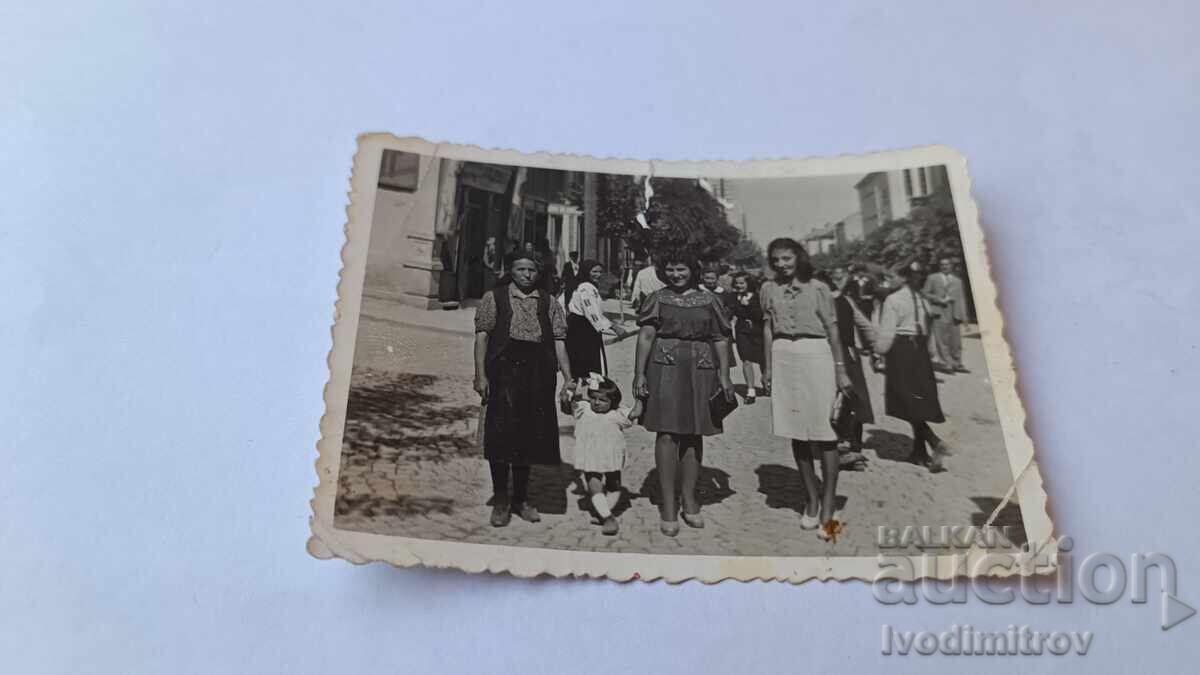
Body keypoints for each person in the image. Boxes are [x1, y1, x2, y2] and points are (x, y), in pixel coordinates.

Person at [633, 252, 735, 536]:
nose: (676, 274)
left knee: (693, 433)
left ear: (693, 270)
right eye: (671, 269)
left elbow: (720, 338)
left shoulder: (710, 300)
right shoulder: (657, 298)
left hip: (701, 368)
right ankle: (668, 505)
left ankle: (689, 499)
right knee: (666, 433)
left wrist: (725, 375)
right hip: (664, 366)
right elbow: (646, 336)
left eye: (681, 269)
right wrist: (639, 373)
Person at [473, 251, 575, 527]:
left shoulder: (549, 302)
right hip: (503, 371)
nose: (527, 275)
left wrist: (568, 378)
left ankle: (521, 498)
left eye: (531, 270)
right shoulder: (494, 298)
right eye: (520, 269)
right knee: (500, 435)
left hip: (537, 374)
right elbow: (482, 338)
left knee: (527, 436)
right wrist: (480, 375)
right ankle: (501, 499)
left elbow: (559, 341)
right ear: (511, 271)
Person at [760, 239, 851, 541]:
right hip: (784, 356)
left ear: (798, 258)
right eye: (775, 260)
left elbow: (833, 329)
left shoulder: (818, 289)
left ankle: (829, 505)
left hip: (816, 356)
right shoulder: (768, 290)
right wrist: (768, 367)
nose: (781, 265)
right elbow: (768, 328)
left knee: (824, 433)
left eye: (786, 258)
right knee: (796, 430)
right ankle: (811, 500)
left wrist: (840, 370)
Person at [876, 261, 953, 473]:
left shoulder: (892, 299)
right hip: (919, 351)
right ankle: (919, 452)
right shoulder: (921, 299)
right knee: (916, 398)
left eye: (891, 277)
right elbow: (927, 328)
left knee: (903, 398)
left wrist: (878, 351)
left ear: (903, 278)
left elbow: (887, 332)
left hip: (901, 350)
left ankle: (934, 440)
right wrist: (930, 352)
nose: (888, 281)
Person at [571, 373, 641, 536]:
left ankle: (603, 511)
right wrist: (572, 393)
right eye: (594, 398)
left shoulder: (617, 414)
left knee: (614, 484)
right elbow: (571, 405)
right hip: (590, 454)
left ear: (613, 402)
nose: (597, 402)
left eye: (603, 400)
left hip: (611, 455)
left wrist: (640, 398)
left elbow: (635, 413)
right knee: (593, 483)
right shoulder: (585, 409)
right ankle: (608, 517)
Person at [828, 266, 880, 469]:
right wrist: (876, 348)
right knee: (855, 398)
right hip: (850, 355)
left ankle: (843, 447)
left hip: (832, 355)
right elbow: (865, 325)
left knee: (837, 401)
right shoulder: (846, 300)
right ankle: (854, 448)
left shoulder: (821, 303)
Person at [566, 260, 631, 378]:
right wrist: (615, 327)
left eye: (600, 272)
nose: (598, 275)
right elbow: (593, 313)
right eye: (594, 271)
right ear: (586, 272)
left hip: (581, 328)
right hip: (583, 330)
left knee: (581, 365)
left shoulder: (585, 285)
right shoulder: (585, 288)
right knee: (587, 366)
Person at [922, 257, 969, 373]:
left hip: (954, 312)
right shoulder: (932, 278)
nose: (945, 266)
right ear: (939, 266)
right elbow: (925, 293)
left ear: (951, 266)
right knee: (942, 339)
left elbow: (961, 299)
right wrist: (939, 299)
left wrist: (964, 318)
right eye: (942, 264)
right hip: (939, 312)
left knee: (956, 340)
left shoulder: (957, 281)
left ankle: (957, 363)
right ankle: (946, 364)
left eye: (947, 264)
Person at [726, 272, 766, 403]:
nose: (739, 285)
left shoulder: (757, 297)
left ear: (749, 283)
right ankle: (751, 391)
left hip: (758, 332)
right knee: (746, 360)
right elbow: (730, 312)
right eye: (736, 283)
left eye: (742, 283)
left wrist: (747, 305)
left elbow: (760, 315)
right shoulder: (733, 297)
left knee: (762, 360)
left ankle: (766, 382)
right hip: (742, 332)